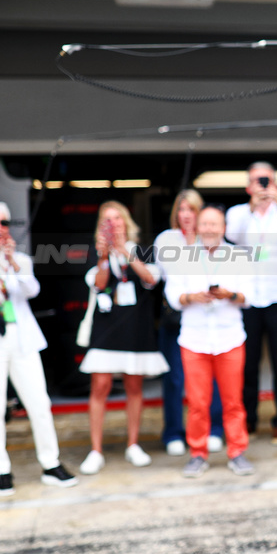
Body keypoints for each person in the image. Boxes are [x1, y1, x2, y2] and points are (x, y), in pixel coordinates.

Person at [0, 201, 77, 495]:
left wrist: (10, 263)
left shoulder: (20, 258)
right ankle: (1, 470)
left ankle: (51, 464)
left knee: (40, 404)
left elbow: (32, 290)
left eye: (3, 222)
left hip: (20, 337)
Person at [77, 202, 169, 475]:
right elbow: (99, 284)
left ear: (126, 222)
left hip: (136, 326)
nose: (114, 224)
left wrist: (124, 252)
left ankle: (133, 444)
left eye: (117, 219)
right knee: (100, 385)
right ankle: (96, 450)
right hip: (107, 326)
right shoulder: (97, 254)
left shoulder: (141, 250)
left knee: (134, 386)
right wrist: (105, 256)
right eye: (108, 220)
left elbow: (151, 279)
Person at [164, 206, 255, 477]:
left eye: (214, 224)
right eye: (205, 224)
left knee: (233, 401)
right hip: (194, 340)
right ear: (197, 227)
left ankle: (237, 451)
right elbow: (172, 295)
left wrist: (229, 294)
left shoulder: (239, 256)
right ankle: (198, 453)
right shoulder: (182, 257)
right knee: (197, 402)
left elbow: (249, 297)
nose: (209, 229)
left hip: (230, 338)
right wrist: (192, 297)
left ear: (223, 228)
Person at [226, 163, 277, 444]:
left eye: (267, 181)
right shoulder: (238, 213)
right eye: (256, 182)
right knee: (248, 365)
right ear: (248, 186)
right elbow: (232, 237)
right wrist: (252, 207)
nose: (262, 186)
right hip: (249, 299)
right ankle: (249, 419)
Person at [155, 189, 226, 456]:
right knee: (174, 378)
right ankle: (173, 432)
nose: (185, 215)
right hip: (177, 320)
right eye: (181, 209)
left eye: (191, 210)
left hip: (209, 320)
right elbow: (172, 278)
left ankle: (214, 429)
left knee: (214, 378)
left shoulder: (212, 241)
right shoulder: (166, 239)